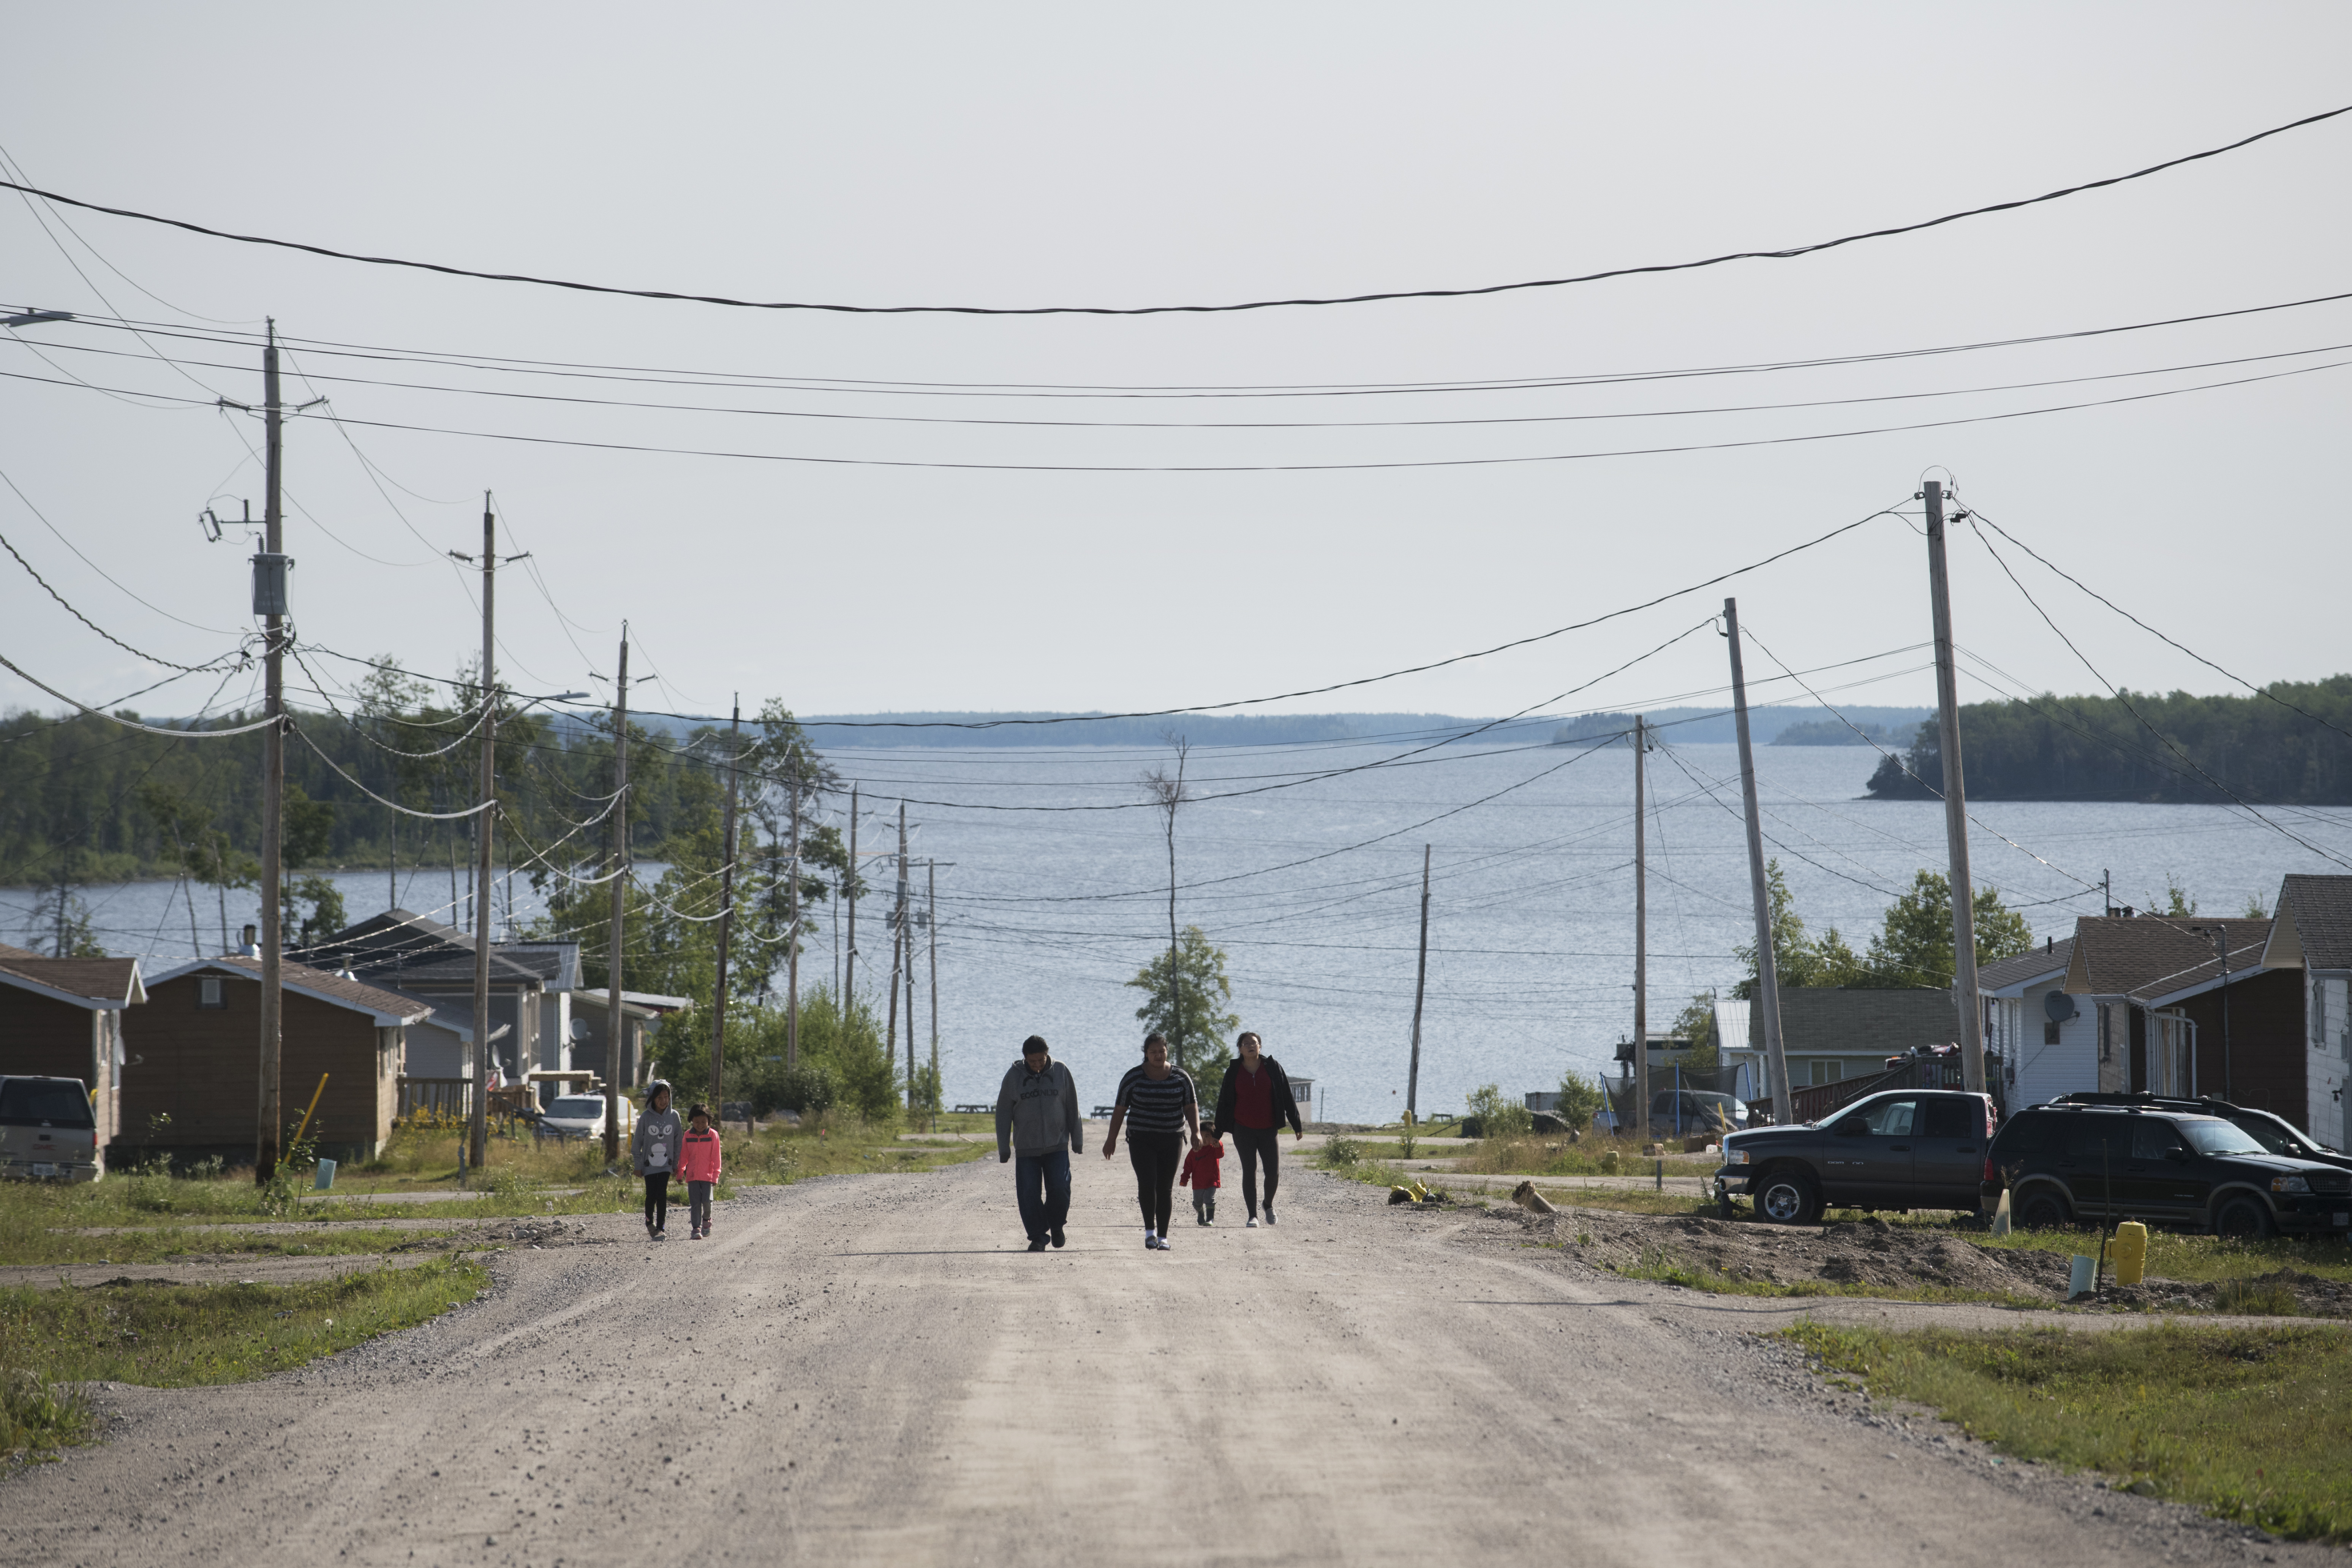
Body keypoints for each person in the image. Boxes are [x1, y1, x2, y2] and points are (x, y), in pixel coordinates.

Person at [1103, 1033, 1199, 1251]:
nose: (1158, 1055)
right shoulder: (1133, 1077)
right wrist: (1111, 1140)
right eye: (1153, 1052)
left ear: (1167, 1052)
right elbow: (1120, 1110)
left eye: (1162, 1051)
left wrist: (1197, 1132)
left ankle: (1163, 1237)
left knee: (1165, 1187)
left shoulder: (1181, 1077)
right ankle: (1150, 1233)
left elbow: (1191, 1106)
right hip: (1141, 1138)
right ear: (1146, 1054)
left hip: (1172, 1138)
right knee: (1147, 1183)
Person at [995, 1034, 1083, 1252]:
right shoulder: (1013, 1077)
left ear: (1047, 1054)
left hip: (1058, 1146)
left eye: (1041, 1061)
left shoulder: (1061, 1072)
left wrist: (1077, 1140)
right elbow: (1004, 1114)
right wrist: (1004, 1148)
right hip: (1027, 1149)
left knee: (1061, 1189)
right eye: (1033, 1062)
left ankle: (1056, 1225)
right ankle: (1038, 1237)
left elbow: (1073, 1106)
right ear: (1025, 1058)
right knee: (1028, 1194)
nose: (1037, 1065)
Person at [1212, 1031, 1303, 1227]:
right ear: (1240, 1049)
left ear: (1260, 1047)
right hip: (1242, 1129)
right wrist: (1217, 1132)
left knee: (1273, 1172)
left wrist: (1296, 1124)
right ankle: (1252, 1215)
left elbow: (1287, 1095)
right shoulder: (1234, 1072)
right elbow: (1224, 1103)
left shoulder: (1272, 1067)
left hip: (1269, 1128)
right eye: (1246, 1044)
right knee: (1250, 1170)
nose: (1251, 1046)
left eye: (1254, 1043)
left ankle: (1268, 1204)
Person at [631, 1079, 683, 1240]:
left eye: (666, 1097)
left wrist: (676, 1164)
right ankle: (649, 1223)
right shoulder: (646, 1117)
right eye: (659, 1097)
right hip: (649, 1165)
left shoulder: (674, 1117)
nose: (663, 1101)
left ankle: (661, 1228)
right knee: (651, 1195)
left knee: (662, 1194)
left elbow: (678, 1142)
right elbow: (637, 1144)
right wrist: (638, 1166)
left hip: (666, 1165)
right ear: (653, 1098)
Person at [679, 1102, 723, 1240]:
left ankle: (707, 1220)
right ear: (692, 1121)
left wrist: (716, 1175)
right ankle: (696, 1229)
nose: (700, 1124)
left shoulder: (713, 1135)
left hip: (708, 1176)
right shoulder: (687, 1136)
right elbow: (684, 1156)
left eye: (704, 1121)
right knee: (695, 1204)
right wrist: (681, 1172)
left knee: (707, 1202)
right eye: (697, 1121)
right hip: (692, 1176)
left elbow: (717, 1156)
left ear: (709, 1121)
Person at [1181, 1116, 1224, 1225]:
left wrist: (1219, 1144)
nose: (1205, 1140)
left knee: (1210, 1199)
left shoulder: (1215, 1149)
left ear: (1213, 1137)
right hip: (1198, 1183)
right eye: (1202, 1136)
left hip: (1212, 1181)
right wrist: (1184, 1179)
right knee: (1197, 1202)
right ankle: (1201, 1214)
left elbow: (1221, 1155)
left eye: (1208, 1136)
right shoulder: (1195, 1150)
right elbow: (1188, 1166)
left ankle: (1210, 1219)